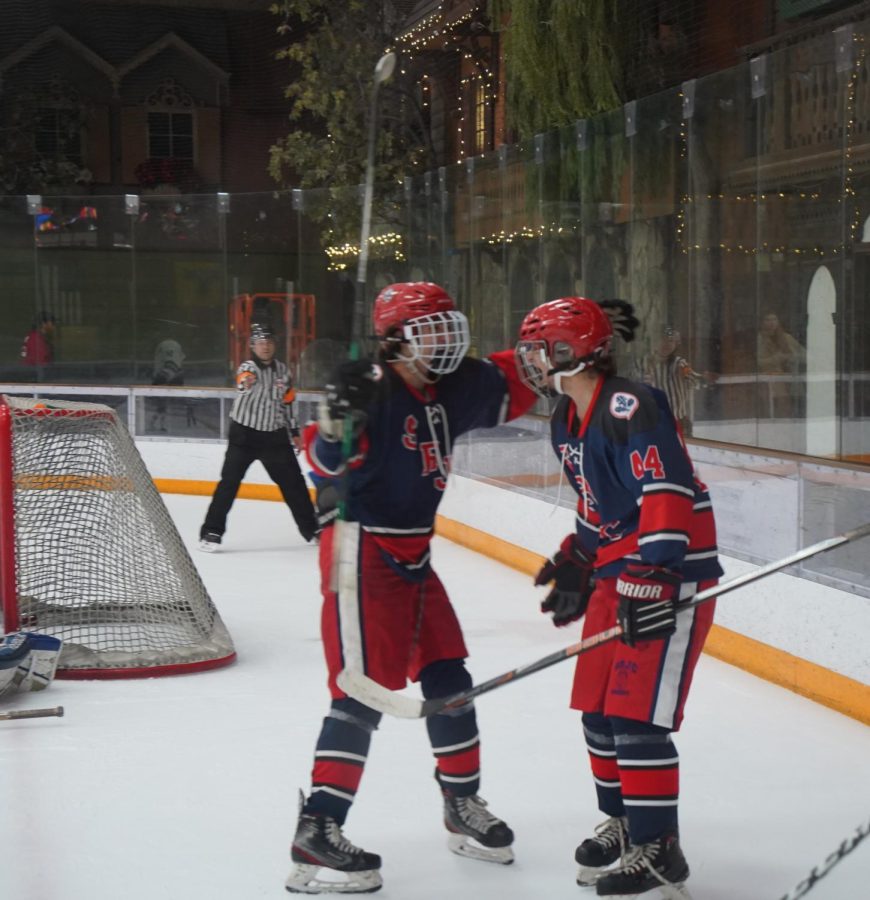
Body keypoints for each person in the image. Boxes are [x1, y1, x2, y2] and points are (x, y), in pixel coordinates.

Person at [285, 282, 536, 895]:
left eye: (450, 324)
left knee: (450, 675)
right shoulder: (370, 386)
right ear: (397, 338)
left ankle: (461, 804)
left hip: (415, 555)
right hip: (361, 550)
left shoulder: (455, 386)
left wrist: (563, 340)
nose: (447, 339)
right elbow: (322, 459)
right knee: (363, 692)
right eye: (431, 328)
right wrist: (335, 417)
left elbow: (521, 377)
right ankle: (317, 829)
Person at [515, 297, 722, 899]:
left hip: (669, 573)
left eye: (539, 347)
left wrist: (655, 573)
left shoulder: (631, 404)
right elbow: (597, 501)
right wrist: (579, 557)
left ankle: (660, 849)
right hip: (616, 571)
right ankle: (627, 820)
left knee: (637, 718)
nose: (530, 360)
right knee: (599, 713)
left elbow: (667, 487)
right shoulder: (564, 419)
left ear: (569, 350)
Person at [199, 323, 318, 550]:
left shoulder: (283, 372)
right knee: (229, 484)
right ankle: (211, 532)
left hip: (275, 437)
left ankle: (312, 529)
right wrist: (245, 382)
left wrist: (294, 432)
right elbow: (243, 380)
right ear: (253, 346)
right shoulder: (248, 367)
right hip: (244, 436)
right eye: (261, 343)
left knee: (295, 484)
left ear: (275, 345)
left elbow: (289, 403)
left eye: (269, 342)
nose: (265, 347)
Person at [639, 325, 715, 437]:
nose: (666, 344)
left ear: (675, 344)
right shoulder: (642, 363)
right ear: (654, 342)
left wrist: (705, 379)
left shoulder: (680, 363)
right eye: (662, 340)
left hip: (678, 420)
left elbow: (693, 380)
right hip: (652, 421)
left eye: (671, 341)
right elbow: (631, 385)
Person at [757, 312, 806, 418]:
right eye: (767, 319)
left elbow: (805, 355)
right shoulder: (760, 339)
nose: (771, 323)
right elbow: (758, 362)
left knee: (789, 408)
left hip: (790, 378)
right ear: (762, 323)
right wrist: (776, 358)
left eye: (774, 319)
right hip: (770, 379)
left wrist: (793, 357)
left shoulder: (786, 337)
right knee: (772, 409)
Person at [150, 339, 186, 433]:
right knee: (161, 409)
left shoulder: (172, 371)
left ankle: (157, 424)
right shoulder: (167, 372)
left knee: (161, 409)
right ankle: (157, 424)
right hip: (162, 394)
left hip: (164, 393)